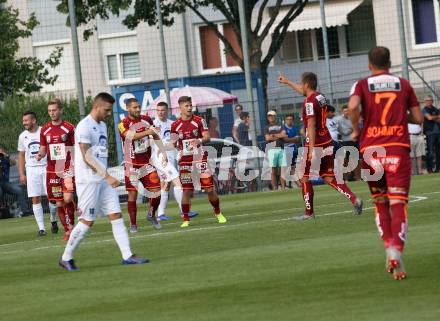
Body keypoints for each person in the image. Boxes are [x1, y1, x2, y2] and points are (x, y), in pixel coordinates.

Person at [348, 46, 424, 280]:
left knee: (381, 203)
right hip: (397, 150)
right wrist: (404, 116)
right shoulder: (403, 84)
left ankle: (391, 252)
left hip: (371, 150)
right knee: (398, 203)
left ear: (370, 64)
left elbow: (352, 107)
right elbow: (419, 119)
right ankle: (396, 252)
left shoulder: (361, 84)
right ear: (389, 63)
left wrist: (355, 130)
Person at [59, 93, 148, 271]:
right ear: (97, 107)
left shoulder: (101, 125)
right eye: (107, 110)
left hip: (102, 179)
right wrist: (107, 176)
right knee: (87, 220)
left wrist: (106, 176)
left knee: (116, 214)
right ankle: (66, 258)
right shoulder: (84, 126)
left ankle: (127, 255)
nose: (109, 113)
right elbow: (86, 156)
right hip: (89, 180)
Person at [278, 72, 363, 220]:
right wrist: (288, 82)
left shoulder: (309, 102)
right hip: (327, 141)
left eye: (300, 83)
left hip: (316, 144)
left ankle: (309, 213)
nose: (300, 86)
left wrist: (311, 150)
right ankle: (355, 199)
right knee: (329, 178)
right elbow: (304, 93)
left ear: (306, 84)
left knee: (304, 178)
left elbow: (311, 124)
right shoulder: (320, 97)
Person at [170, 96, 227, 228]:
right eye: (186, 106)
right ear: (180, 107)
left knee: (209, 189)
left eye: (190, 105)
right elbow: (173, 142)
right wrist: (173, 150)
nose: (189, 108)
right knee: (186, 191)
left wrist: (199, 140)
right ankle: (185, 219)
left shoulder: (199, 121)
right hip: (185, 163)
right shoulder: (175, 125)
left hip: (200, 160)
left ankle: (218, 213)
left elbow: (207, 136)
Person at [118, 98, 164, 232]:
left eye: (139, 107)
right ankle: (133, 225)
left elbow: (155, 135)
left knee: (157, 192)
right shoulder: (123, 123)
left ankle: (151, 214)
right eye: (134, 107)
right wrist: (147, 132)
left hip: (146, 164)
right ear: (127, 109)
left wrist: (163, 151)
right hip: (131, 165)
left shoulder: (147, 120)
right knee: (132, 195)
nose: (138, 109)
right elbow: (129, 136)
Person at [36, 99, 76, 241]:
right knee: (59, 202)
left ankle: (72, 221)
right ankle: (68, 231)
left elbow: (75, 147)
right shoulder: (44, 129)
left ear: (61, 110)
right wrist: (40, 154)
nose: (52, 113)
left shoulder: (69, 128)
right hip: (52, 170)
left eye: (54, 110)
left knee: (68, 198)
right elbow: (43, 147)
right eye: (50, 111)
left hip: (67, 168)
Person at [152, 101, 198, 221]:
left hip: (170, 158)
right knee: (178, 182)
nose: (160, 112)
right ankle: (184, 211)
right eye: (158, 110)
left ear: (167, 111)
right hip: (161, 159)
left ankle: (160, 214)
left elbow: (175, 143)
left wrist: (180, 152)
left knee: (165, 185)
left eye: (162, 110)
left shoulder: (172, 124)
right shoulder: (153, 125)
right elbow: (152, 143)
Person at [18, 111, 58, 235]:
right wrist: (22, 173)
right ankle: (41, 228)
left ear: (33, 121)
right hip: (31, 170)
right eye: (23, 120)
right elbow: (21, 155)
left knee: (52, 197)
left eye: (26, 120)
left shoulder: (44, 131)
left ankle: (53, 219)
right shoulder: (22, 136)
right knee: (35, 198)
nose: (24, 123)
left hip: (46, 167)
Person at [0, 145, 30, 216]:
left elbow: (14, 163)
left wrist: (6, 156)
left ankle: (25, 211)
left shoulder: (5, 159)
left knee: (19, 190)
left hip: (5, 183)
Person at [335, 105, 361, 181]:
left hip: (354, 141)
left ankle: (358, 177)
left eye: (347, 110)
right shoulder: (338, 119)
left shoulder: (353, 118)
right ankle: (345, 178)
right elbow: (342, 132)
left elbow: (357, 128)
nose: (346, 112)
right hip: (345, 142)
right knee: (345, 160)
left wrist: (352, 129)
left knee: (356, 160)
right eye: (345, 111)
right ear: (342, 111)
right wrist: (351, 129)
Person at [264, 110, 287, 190]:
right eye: (269, 116)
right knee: (273, 171)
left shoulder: (281, 125)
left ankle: (283, 187)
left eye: (272, 116)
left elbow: (284, 135)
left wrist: (273, 135)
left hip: (281, 149)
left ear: (275, 116)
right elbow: (267, 138)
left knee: (282, 170)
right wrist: (279, 135)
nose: (270, 117)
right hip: (271, 150)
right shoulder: (266, 127)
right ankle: (274, 188)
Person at [422, 95, 440, 173]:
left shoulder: (435, 109)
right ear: (425, 102)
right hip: (430, 133)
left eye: (430, 100)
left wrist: (433, 117)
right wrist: (436, 117)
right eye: (427, 100)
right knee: (430, 152)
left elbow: (438, 120)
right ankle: (429, 169)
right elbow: (429, 118)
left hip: (438, 132)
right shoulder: (424, 110)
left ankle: (437, 169)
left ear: (432, 101)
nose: (428, 102)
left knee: (438, 152)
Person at [283, 114, 301, 187]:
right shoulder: (283, 128)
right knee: (286, 168)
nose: (289, 121)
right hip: (286, 149)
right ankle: (283, 186)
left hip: (294, 149)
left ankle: (298, 184)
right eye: (288, 119)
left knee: (293, 167)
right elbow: (285, 139)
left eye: (291, 119)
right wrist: (292, 139)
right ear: (285, 120)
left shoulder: (295, 128)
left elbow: (298, 139)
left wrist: (289, 139)